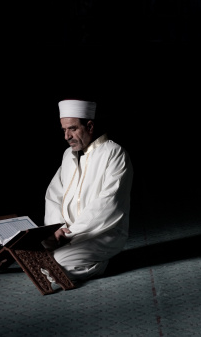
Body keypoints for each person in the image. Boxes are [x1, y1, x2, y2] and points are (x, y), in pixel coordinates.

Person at [41, 98, 133, 283]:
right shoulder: (68, 155)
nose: (66, 136)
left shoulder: (114, 153)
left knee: (55, 267)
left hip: (104, 232)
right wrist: (57, 230)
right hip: (68, 235)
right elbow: (53, 195)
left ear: (90, 126)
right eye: (64, 130)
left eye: (72, 129)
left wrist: (70, 235)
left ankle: (100, 264)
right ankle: (77, 256)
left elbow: (108, 205)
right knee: (40, 260)